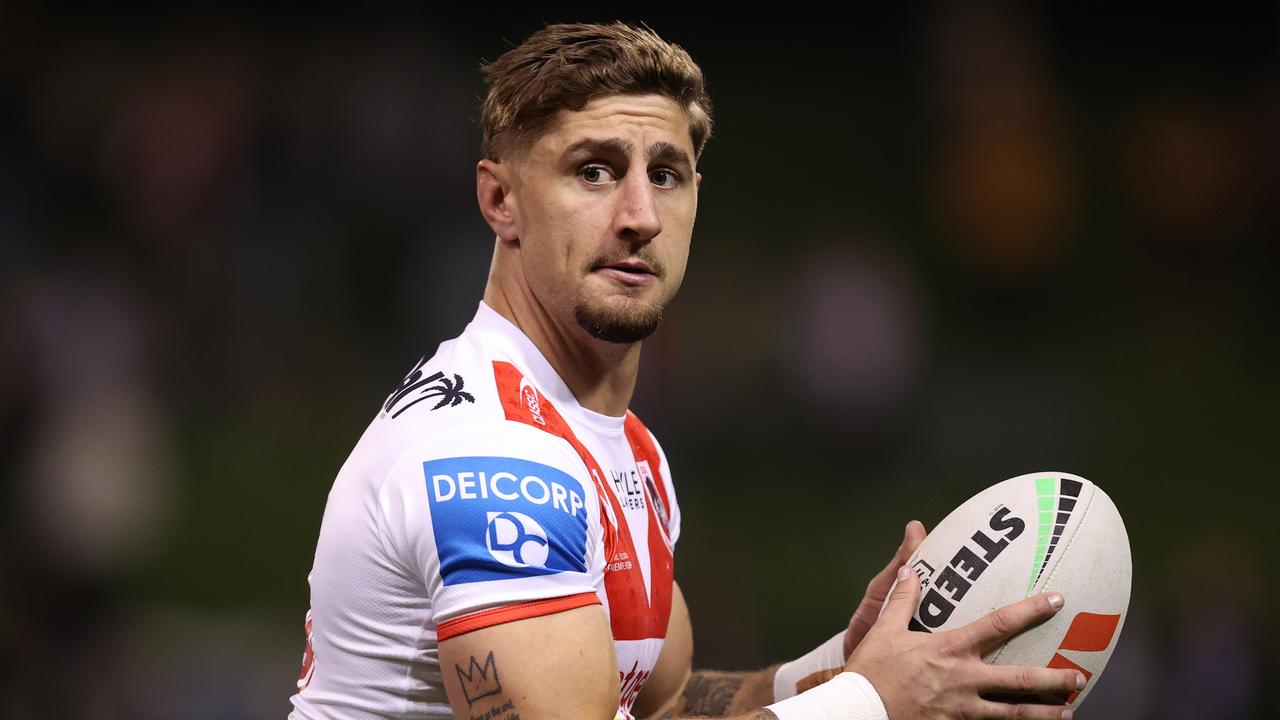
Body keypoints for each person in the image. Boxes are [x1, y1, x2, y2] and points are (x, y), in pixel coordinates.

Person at [289, 21, 1084, 720]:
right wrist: (870, 705)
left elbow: (659, 703)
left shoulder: (621, 448)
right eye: (594, 171)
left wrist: (845, 664)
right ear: (501, 201)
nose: (638, 216)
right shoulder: (490, 457)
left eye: (664, 175)